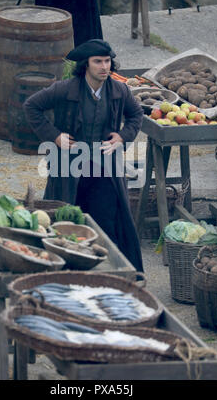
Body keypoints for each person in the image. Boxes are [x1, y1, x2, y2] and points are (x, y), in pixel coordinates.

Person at [23, 39, 144, 271]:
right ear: (86, 65)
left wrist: (122, 137)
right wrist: (55, 136)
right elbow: (32, 106)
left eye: (107, 61)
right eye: (97, 61)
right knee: (66, 219)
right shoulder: (65, 89)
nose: (104, 66)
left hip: (104, 169)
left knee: (107, 222)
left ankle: (109, 272)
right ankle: (64, 268)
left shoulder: (119, 91)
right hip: (69, 168)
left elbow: (135, 115)